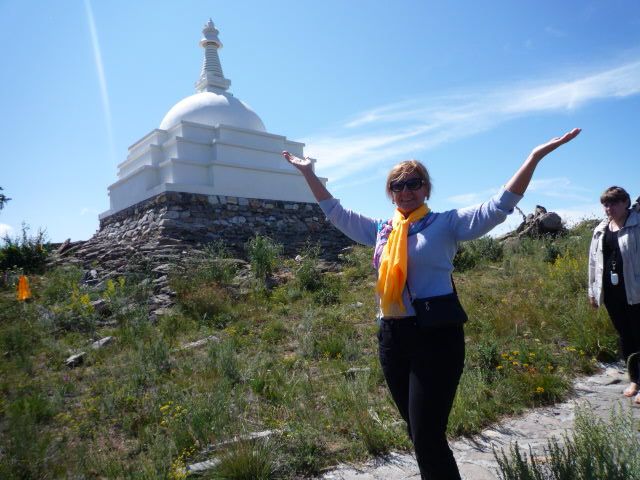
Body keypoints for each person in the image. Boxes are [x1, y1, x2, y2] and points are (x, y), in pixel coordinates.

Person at [283, 127, 580, 480]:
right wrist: (308, 173)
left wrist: (534, 156)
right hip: (392, 337)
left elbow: (499, 206)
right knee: (418, 433)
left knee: (426, 436)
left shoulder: (446, 224)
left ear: (426, 188)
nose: (406, 190)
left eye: (414, 183)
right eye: (398, 185)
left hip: (435, 336)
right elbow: (336, 213)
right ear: (390, 193)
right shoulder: (381, 231)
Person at [588, 186, 640, 404]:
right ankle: (635, 380)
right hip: (612, 293)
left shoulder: (637, 224)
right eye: (606, 204)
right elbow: (593, 262)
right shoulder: (601, 229)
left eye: (613, 203)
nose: (609, 208)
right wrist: (592, 291)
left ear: (625, 202)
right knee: (625, 335)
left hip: (635, 290)